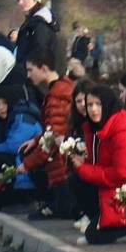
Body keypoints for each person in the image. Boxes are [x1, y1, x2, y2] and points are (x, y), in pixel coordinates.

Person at [69, 81, 126, 246]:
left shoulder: (124, 132)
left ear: (108, 104)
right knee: (75, 180)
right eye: (90, 104)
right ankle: (101, 218)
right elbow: (103, 163)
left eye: (98, 104)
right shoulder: (98, 127)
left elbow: (122, 174)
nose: (93, 109)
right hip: (117, 188)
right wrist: (83, 163)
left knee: (94, 236)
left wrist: (84, 169)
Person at [19, 52, 78, 219]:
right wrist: (36, 139)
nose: (28, 75)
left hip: (63, 165)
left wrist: (27, 165)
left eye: (31, 70)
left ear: (44, 69)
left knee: (28, 156)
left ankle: (54, 203)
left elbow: (53, 139)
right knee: (29, 149)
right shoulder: (63, 88)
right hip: (65, 158)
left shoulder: (56, 97)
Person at [0, 96, 45, 212]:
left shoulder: (23, 118)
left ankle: (27, 199)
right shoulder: (6, 121)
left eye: (4, 103)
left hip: (32, 167)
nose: (1, 108)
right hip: (23, 164)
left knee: (0, 156)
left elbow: (15, 145)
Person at [12, 0, 58, 95]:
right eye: (18, 0)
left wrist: (22, 70)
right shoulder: (33, 21)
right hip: (30, 74)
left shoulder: (39, 25)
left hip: (35, 77)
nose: (20, 2)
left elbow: (39, 53)